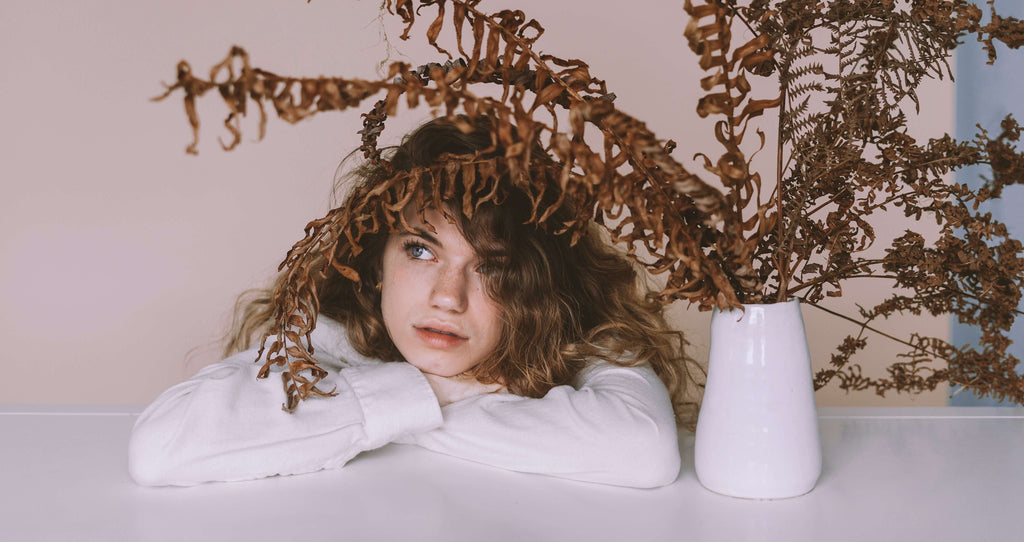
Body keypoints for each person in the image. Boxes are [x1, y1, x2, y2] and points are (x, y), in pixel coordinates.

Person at [128, 115, 701, 488]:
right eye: (421, 252)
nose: (448, 298)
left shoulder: (583, 335)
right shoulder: (331, 335)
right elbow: (162, 446)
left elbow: (643, 450)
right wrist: (435, 390)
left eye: (493, 268)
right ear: (377, 261)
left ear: (538, 285)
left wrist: (377, 413)